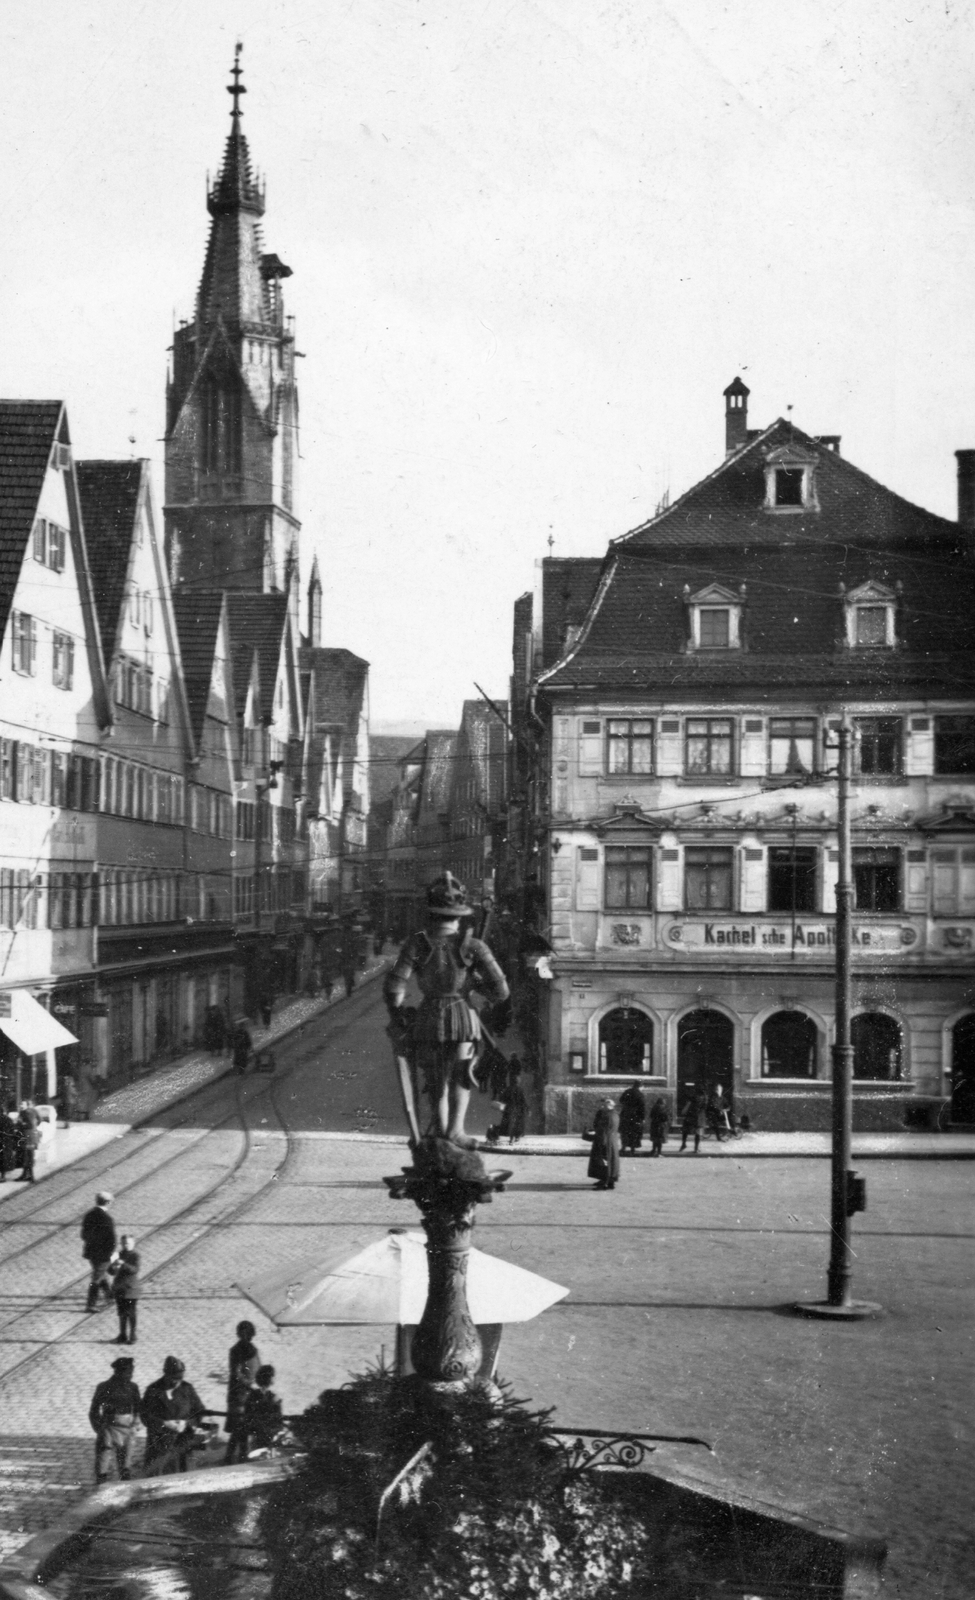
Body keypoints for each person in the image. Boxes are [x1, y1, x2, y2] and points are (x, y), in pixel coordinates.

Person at [384, 873, 510, 1147]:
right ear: (460, 915)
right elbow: (501, 991)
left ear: (431, 914)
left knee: (434, 1077)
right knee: (462, 1074)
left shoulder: (417, 944)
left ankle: (438, 1131)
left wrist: (399, 1015)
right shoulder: (474, 946)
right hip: (463, 1017)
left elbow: (394, 988)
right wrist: (475, 988)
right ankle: (456, 1130)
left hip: (429, 1017)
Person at [140, 1356, 207, 1475]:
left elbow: (200, 1411)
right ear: (166, 1374)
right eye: (174, 1378)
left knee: (184, 1477)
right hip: (160, 1445)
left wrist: (187, 1423)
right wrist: (164, 1423)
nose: (177, 1382)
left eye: (180, 1378)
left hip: (182, 1443)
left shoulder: (187, 1389)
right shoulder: (153, 1390)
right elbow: (144, 1416)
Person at [89, 1356, 141, 1483]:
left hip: (127, 1429)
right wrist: (99, 1429)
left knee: (126, 1466)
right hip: (109, 1428)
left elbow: (139, 1408)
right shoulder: (104, 1387)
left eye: (131, 1373)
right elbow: (94, 1411)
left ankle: (125, 1491)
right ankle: (100, 1488)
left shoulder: (133, 1387)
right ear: (118, 1372)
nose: (130, 1376)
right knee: (103, 1463)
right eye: (128, 1373)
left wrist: (135, 1424)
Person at [224, 1319, 261, 1464]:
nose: (246, 1336)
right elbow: (237, 1372)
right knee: (239, 1427)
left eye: (248, 1333)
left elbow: (257, 1368)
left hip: (245, 1393)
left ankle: (237, 1456)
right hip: (239, 1394)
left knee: (242, 1427)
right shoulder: (236, 1350)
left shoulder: (251, 1349)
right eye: (243, 1333)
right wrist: (248, 1384)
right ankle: (235, 1456)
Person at [81, 1192, 118, 1311]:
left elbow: (83, 1234)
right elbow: (112, 1239)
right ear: (108, 1202)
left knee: (100, 1274)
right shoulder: (107, 1218)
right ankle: (91, 1304)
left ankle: (110, 1296)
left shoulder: (89, 1215)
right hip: (103, 1254)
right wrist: (111, 1253)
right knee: (97, 1278)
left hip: (91, 1252)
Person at [241, 1364, 284, 1454]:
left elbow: (247, 1414)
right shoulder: (273, 1396)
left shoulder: (252, 1395)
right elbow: (278, 1416)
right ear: (270, 1378)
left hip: (257, 1431)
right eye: (273, 1376)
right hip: (267, 1431)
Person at [112, 1234, 142, 1344]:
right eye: (124, 1243)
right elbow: (111, 1272)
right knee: (121, 1313)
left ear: (133, 1244)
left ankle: (133, 1336)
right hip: (120, 1288)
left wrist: (123, 1264)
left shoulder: (135, 1256)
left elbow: (135, 1270)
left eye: (128, 1243)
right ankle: (122, 1335)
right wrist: (113, 1266)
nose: (126, 1245)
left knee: (131, 1312)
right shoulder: (118, 1254)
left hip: (131, 1289)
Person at [587, 1097, 621, 1191]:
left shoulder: (608, 1116)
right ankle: (607, 1181)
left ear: (608, 1106)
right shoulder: (614, 1114)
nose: (602, 1107)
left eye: (604, 1105)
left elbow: (604, 1130)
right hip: (610, 1141)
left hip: (605, 1141)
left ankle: (605, 1183)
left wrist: (600, 1141)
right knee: (609, 1162)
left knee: (604, 1162)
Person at [497, 1058, 528, 1145]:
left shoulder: (508, 1089)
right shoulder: (520, 1089)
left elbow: (502, 1098)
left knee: (510, 1124)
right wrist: (527, 1108)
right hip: (518, 1109)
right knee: (518, 1123)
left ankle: (511, 1139)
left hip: (509, 1108)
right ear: (518, 1082)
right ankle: (517, 1137)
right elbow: (523, 1100)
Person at [618, 1081, 647, 1155]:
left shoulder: (627, 1091)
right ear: (641, 1086)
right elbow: (642, 1107)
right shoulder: (640, 1095)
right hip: (636, 1116)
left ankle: (623, 1147)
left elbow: (621, 1100)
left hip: (625, 1114)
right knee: (634, 1132)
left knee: (625, 1132)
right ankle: (632, 1149)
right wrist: (643, 1118)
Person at [18, 1101, 40, 1183]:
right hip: (33, 1135)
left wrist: (21, 1125)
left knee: (26, 1156)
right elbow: (39, 1120)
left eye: (22, 1104)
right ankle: (28, 1176)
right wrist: (34, 1127)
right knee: (29, 1156)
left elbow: (29, 1124)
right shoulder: (34, 1111)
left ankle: (28, 1176)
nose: (20, 1105)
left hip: (27, 1136)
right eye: (20, 1104)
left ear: (26, 1105)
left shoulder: (24, 1112)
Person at [679, 1088, 704, 1154]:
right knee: (697, 1133)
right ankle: (696, 1148)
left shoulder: (691, 1099)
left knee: (685, 1131)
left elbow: (685, 1110)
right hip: (698, 1118)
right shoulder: (703, 1100)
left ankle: (684, 1144)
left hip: (690, 1117)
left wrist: (683, 1112)